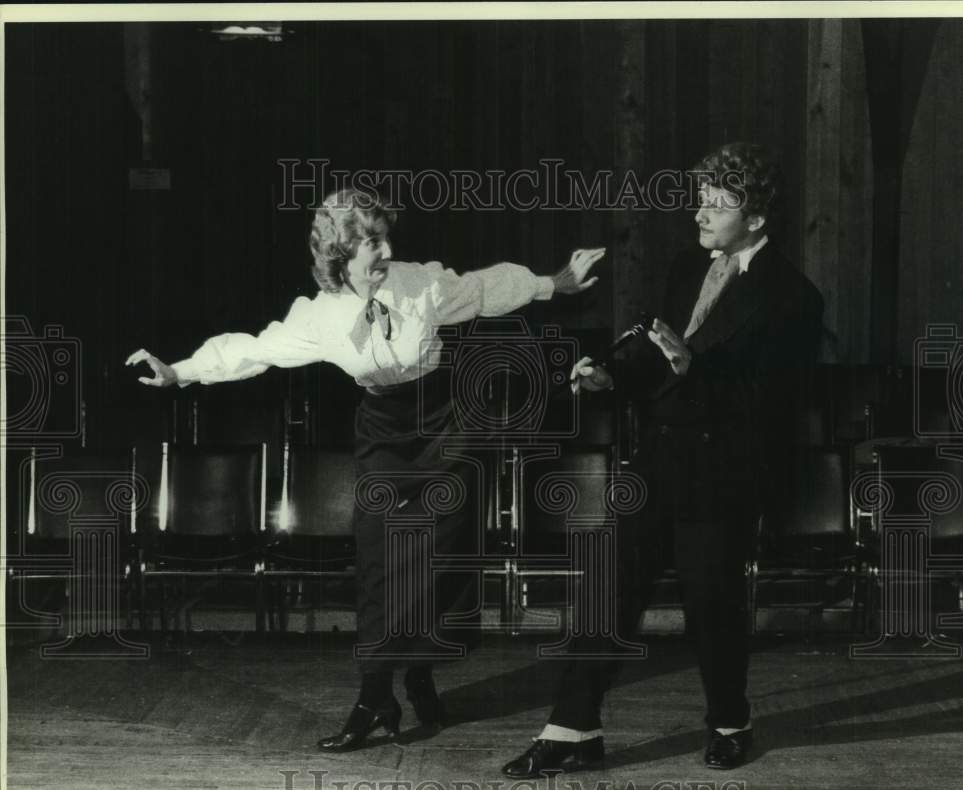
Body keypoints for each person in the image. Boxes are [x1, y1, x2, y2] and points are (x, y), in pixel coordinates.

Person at [126, 187, 605, 752]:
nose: (385, 249)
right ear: (339, 255)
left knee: (442, 551)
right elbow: (254, 350)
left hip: (443, 422)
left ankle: (422, 670)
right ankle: (376, 695)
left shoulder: (421, 284)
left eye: (384, 236)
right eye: (371, 241)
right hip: (382, 429)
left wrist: (556, 282)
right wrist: (179, 371)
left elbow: (484, 288)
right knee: (378, 558)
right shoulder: (320, 316)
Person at [501, 142, 824, 778]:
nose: (700, 214)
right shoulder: (686, 268)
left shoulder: (794, 298)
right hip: (657, 461)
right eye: (700, 200)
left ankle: (731, 721)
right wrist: (609, 376)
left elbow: (769, 402)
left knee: (712, 602)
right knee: (608, 589)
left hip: (724, 469)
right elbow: (654, 347)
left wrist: (691, 370)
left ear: (756, 218)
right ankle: (573, 728)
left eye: (717, 204)